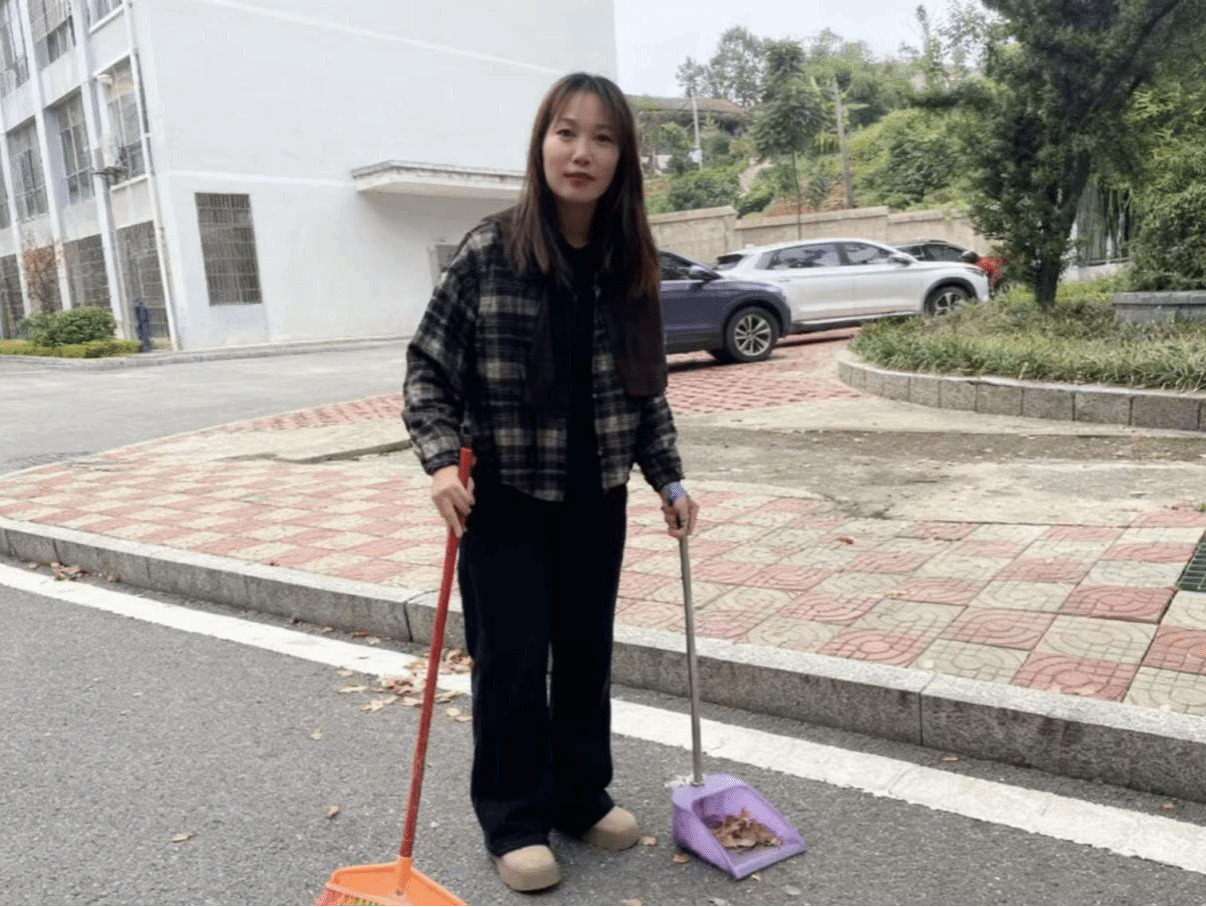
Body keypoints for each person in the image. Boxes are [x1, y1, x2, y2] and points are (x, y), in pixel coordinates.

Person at [402, 72, 700, 893]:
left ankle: (578, 794)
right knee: (510, 661)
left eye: (603, 138)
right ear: (541, 144)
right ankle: (514, 819)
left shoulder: (629, 263)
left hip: (596, 495)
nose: (582, 152)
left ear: (622, 158)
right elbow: (428, 369)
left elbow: (645, 389)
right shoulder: (489, 252)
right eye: (567, 132)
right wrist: (440, 461)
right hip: (503, 498)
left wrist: (669, 479)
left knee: (584, 654)